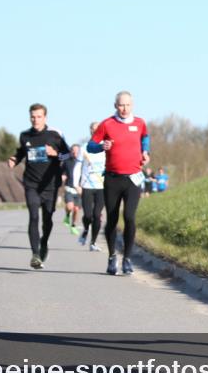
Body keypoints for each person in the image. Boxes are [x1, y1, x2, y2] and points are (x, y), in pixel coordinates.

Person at [87, 91, 149, 275]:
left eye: (128, 105)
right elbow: (91, 145)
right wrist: (100, 147)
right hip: (113, 179)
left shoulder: (139, 123)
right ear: (115, 105)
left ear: (132, 105)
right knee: (112, 219)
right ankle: (112, 256)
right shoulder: (107, 124)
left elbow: (145, 137)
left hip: (133, 178)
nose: (124, 108)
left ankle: (127, 259)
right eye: (121, 105)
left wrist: (146, 152)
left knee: (129, 217)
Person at [7, 103, 70, 270]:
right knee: (34, 216)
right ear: (30, 118)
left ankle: (44, 242)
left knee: (47, 219)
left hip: (50, 185)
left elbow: (68, 154)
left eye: (39, 117)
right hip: (32, 184)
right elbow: (22, 152)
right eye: (33, 117)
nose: (36, 120)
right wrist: (15, 159)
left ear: (45, 118)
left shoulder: (54, 136)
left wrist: (55, 154)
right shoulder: (25, 136)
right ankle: (35, 254)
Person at [76, 122, 107, 252]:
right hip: (87, 186)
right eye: (93, 129)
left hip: (102, 186)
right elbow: (77, 167)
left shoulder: (106, 147)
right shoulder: (84, 147)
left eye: (98, 129)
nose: (95, 131)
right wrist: (76, 184)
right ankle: (85, 230)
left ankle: (93, 242)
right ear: (90, 131)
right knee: (88, 215)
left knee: (97, 215)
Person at [61, 143, 82, 235]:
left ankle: (73, 225)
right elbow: (63, 172)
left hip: (79, 190)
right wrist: (63, 177)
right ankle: (67, 215)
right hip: (69, 188)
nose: (75, 152)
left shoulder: (83, 162)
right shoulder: (67, 162)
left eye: (77, 151)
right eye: (73, 150)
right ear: (70, 151)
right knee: (70, 207)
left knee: (76, 209)